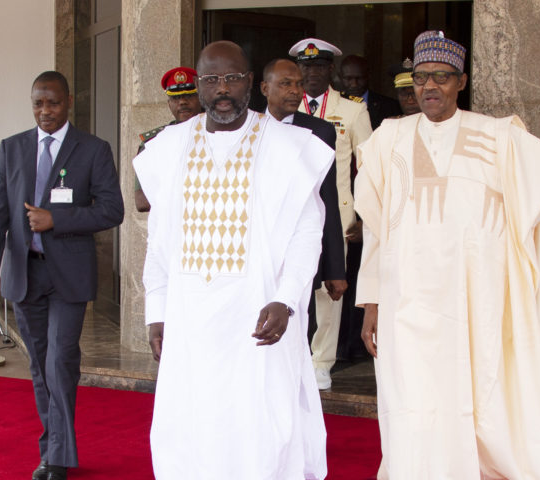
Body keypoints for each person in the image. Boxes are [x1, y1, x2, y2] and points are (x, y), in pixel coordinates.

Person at [354, 31, 540, 479]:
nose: (430, 86)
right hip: (406, 302)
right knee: (411, 394)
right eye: (421, 78)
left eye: (441, 76)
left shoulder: (498, 136)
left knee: (480, 391)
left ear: (462, 81)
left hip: (476, 299)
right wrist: (372, 301)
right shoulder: (387, 139)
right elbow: (377, 231)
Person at [134, 41, 334, 480]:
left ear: (250, 82)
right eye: (211, 80)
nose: (221, 89)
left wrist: (288, 299)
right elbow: (159, 239)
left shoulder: (290, 146)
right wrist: (156, 310)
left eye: (232, 78)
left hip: (260, 315)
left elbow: (307, 234)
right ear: (199, 85)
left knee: (261, 424)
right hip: (190, 319)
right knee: (192, 422)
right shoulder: (168, 147)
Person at [0, 71, 124, 480]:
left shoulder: (94, 150)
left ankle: (56, 457)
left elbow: (112, 210)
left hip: (68, 277)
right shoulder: (11, 149)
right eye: (38, 104)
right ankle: (52, 450)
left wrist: (55, 219)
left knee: (60, 360)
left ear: (69, 102)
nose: (45, 111)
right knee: (41, 366)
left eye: (53, 103)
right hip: (25, 275)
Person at [290, 37, 372, 390]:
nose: (311, 73)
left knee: (328, 288)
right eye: (305, 67)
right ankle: (292, 353)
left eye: (319, 67)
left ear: (330, 71)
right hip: (290, 211)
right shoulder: (281, 108)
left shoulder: (352, 111)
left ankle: (321, 360)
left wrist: (365, 216)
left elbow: (369, 168)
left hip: (335, 212)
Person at [260, 58, 347, 336]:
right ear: (265, 88)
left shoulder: (320, 131)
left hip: (300, 247)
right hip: (258, 250)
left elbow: (327, 200)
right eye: (285, 84)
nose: (295, 91)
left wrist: (335, 268)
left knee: (298, 330)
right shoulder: (248, 128)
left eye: (298, 84)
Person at [135, 66, 202, 212]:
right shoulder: (153, 143)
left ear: (201, 98)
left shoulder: (217, 135)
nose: (183, 102)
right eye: (176, 98)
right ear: (169, 104)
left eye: (189, 95)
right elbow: (142, 201)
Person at [340, 54, 401, 130]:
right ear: (340, 77)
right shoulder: (331, 105)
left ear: (368, 76)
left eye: (359, 78)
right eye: (348, 79)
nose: (354, 84)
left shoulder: (390, 106)